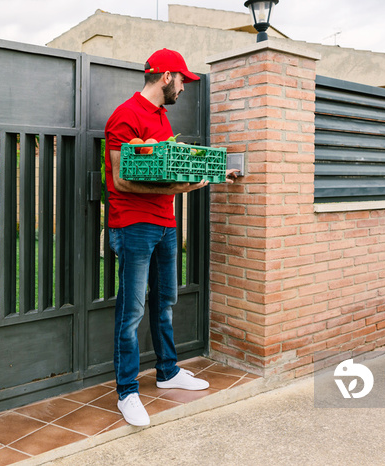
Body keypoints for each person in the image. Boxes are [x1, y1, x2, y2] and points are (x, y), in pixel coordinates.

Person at [104, 48, 239, 426]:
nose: (184, 88)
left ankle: (167, 371)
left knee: (165, 301)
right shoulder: (125, 116)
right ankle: (127, 393)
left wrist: (211, 176)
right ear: (166, 77)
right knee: (131, 312)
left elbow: (173, 175)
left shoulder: (162, 118)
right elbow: (121, 180)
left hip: (164, 225)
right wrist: (182, 190)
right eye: (182, 80)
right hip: (133, 225)